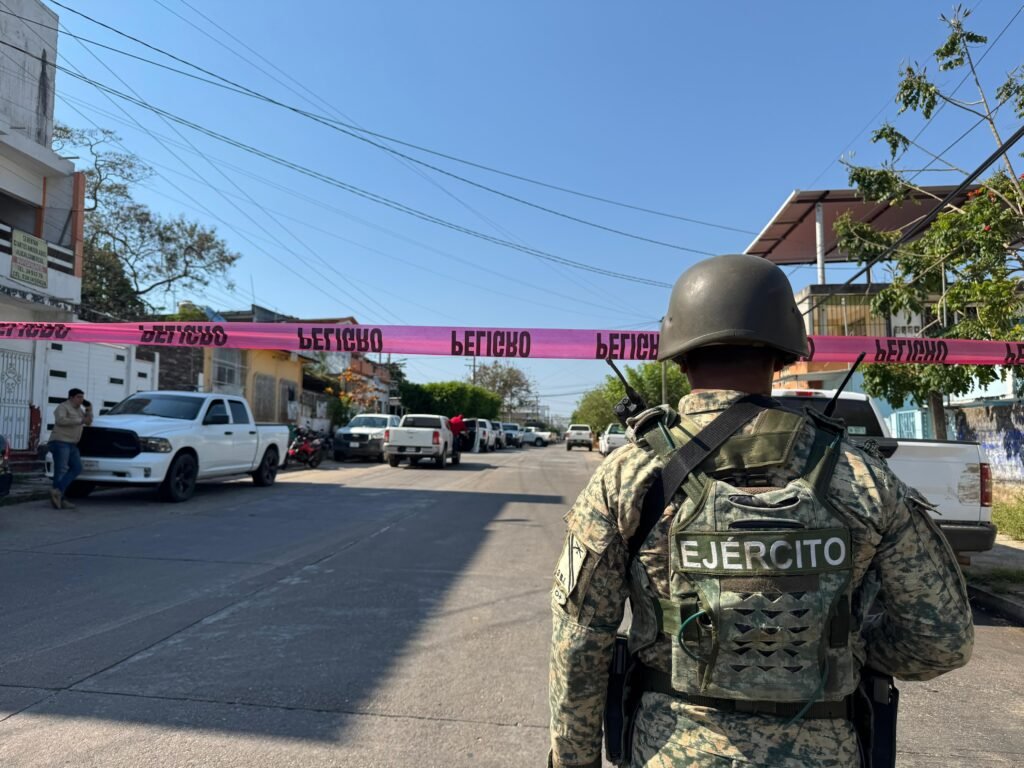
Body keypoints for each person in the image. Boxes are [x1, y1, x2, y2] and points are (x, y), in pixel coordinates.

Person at [548, 253, 974, 768]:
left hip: (670, 749)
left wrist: (572, 761)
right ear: (784, 356)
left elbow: (580, 643)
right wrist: (841, 646)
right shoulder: (862, 477)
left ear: (678, 358)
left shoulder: (629, 475)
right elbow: (941, 641)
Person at [49, 387, 93, 510]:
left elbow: (88, 422)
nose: (81, 399)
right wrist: (80, 420)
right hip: (60, 442)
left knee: (77, 467)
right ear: (71, 397)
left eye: (82, 397)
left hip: (72, 444)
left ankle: (57, 492)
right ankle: (60, 498)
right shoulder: (63, 407)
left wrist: (89, 410)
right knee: (61, 470)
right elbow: (60, 420)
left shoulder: (79, 410)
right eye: (79, 397)